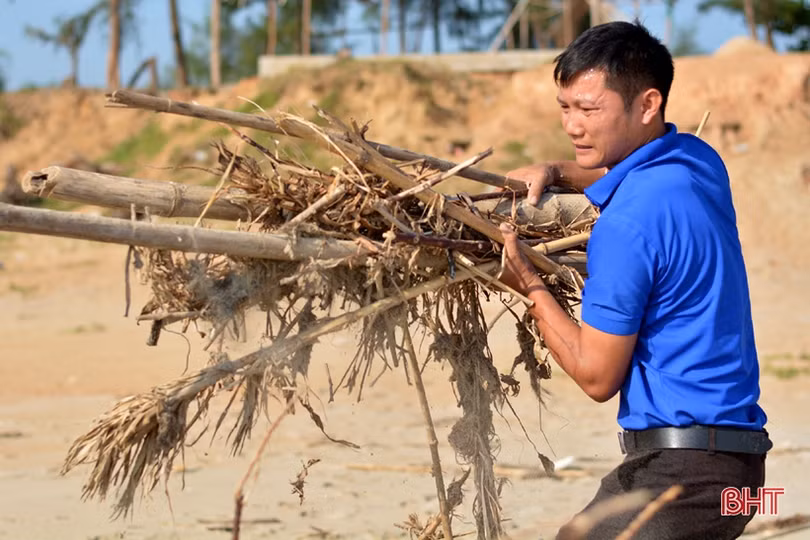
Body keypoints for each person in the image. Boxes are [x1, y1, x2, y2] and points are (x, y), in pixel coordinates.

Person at [496, 21, 771, 540]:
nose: (574, 126)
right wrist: (556, 170)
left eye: (590, 110)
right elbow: (620, 173)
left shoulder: (627, 225)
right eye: (565, 108)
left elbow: (597, 377)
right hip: (738, 473)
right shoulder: (697, 160)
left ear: (646, 105)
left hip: (684, 475)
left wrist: (528, 284)